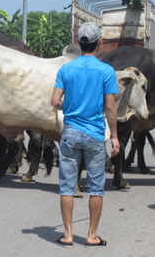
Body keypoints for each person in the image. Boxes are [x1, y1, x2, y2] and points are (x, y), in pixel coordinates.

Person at [51, 22, 120, 248]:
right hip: (94, 135)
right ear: (98, 42)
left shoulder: (66, 69)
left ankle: (68, 234)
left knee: (67, 186)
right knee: (96, 187)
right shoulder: (106, 71)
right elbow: (110, 108)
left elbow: (54, 101)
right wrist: (115, 137)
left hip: (70, 133)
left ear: (79, 43)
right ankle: (91, 235)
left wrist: (68, 107)